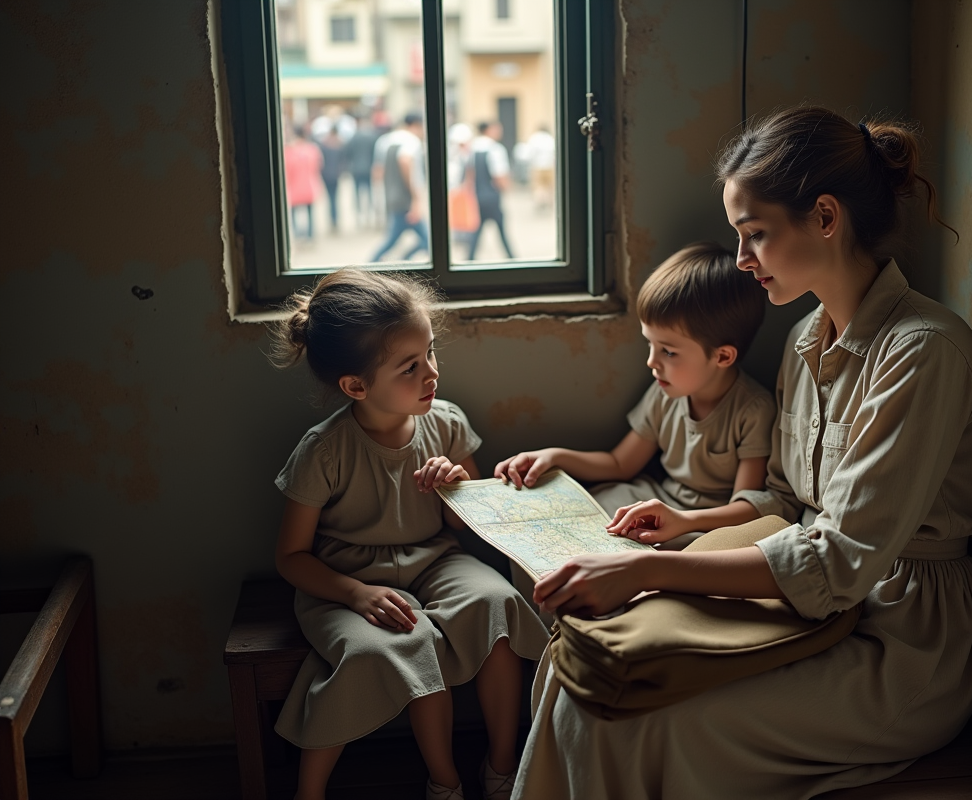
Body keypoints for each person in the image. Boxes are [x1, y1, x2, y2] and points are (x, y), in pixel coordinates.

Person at [511, 106, 972, 799]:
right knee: (582, 671)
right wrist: (686, 528)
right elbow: (789, 502)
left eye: (756, 235)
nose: (741, 261)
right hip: (816, 598)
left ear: (825, 218)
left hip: (904, 637)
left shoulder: (923, 353)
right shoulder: (805, 340)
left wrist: (650, 570)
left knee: (632, 722)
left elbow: (841, 559)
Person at [269, 269, 549, 800]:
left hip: (435, 559)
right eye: (409, 366)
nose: (432, 374)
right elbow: (292, 557)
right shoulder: (323, 450)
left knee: (497, 603)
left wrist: (458, 489)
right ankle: (443, 781)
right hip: (348, 581)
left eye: (431, 353)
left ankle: (502, 766)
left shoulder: (445, 423)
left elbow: (465, 529)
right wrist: (356, 593)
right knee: (410, 638)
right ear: (356, 386)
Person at [495, 242, 774, 551]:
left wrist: (684, 519)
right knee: (573, 518)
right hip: (654, 496)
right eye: (650, 345)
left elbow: (747, 509)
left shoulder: (753, 410)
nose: (652, 362)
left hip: (704, 523)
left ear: (722, 356)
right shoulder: (664, 391)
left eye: (668, 351)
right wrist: (555, 456)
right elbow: (619, 464)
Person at [370, 113, 429, 262]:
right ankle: (371, 265)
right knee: (427, 240)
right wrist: (415, 197)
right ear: (416, 125)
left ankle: (403, 260)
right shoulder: (411, 141)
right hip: (405, 198)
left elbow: (378, 170)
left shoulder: (385, 140)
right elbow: (405, 160)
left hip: (392, 196)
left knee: (399, 238)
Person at [466, 121, 515, 260]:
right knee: (500, 226)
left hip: (478, 194)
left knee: (478, 227)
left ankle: (470, 258)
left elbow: (470, 173)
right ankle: (511, 257)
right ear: (488, 130)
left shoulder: (473, 148)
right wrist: (506, 188)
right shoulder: (495, 149)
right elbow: (499, 175)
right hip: (492, 195)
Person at [283, 123, 322, 243]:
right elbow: (318, 167)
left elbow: (286, 171)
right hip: (309, 185)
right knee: (310, 213)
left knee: (294, 214)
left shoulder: (289, 151)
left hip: (294, 186)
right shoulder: (312, 150)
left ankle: (298, 236)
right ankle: (310, 236)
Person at [342, 114, 379, 227]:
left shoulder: (353, 137)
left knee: (357, 193)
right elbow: (375, 153)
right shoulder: (372, 136)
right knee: (370, 192)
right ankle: (370, 215)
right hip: (368, 168)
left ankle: (360, 216)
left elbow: (347, 153)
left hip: (356, 169)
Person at [317, 127, 345, 232]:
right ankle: (334, 220)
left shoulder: (324, 145)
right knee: (334, 198)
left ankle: (332, 220)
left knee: (330, 198)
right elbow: (343, 161)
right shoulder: (339, 145)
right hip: (335, 175)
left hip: (327, 175)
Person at [525, 125, 555, 211]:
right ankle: (549, 202)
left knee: (539, 186)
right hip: (549, 166)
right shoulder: (550, 138)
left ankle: (540, 201)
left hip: (537, 166)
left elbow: (529, 153)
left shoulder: (534, 138)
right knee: (549, 186)